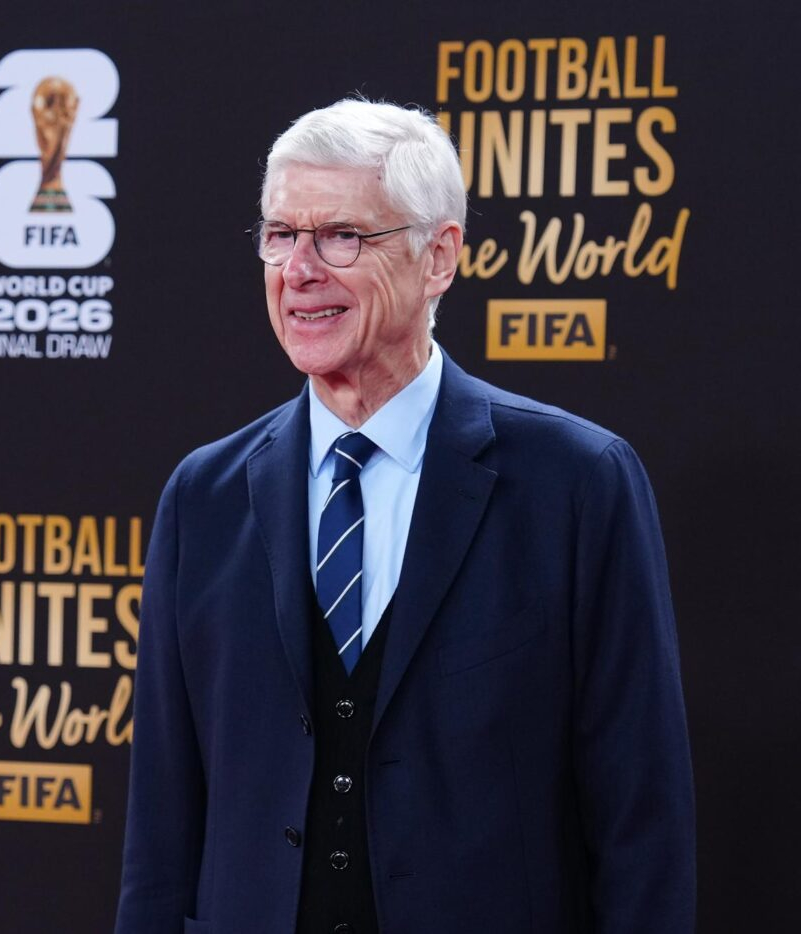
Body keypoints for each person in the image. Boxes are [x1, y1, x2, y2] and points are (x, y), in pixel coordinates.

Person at [114, 98, 694, 934]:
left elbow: (642, 819)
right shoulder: (204, 498)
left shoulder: (576, 484)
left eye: (341, 236)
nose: (298, 270)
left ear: (439, 257)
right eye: (280, 234)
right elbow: (161, 833)